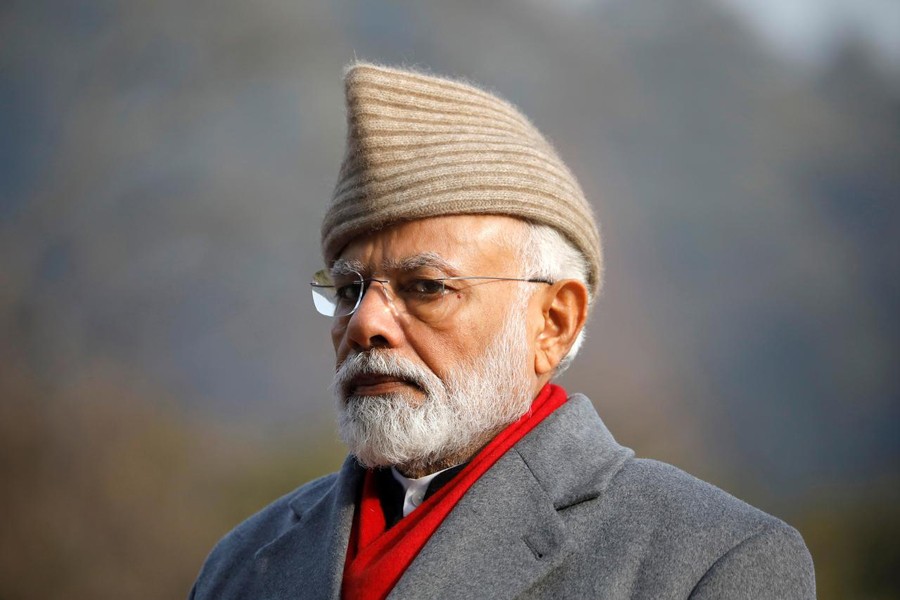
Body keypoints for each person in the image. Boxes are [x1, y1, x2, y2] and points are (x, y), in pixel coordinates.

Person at [190, 62, 816, 600]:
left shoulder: (713, 561)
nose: (366, 324)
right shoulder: (241, 562)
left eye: (425, 287)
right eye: (350, 290)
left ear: (554, 322)